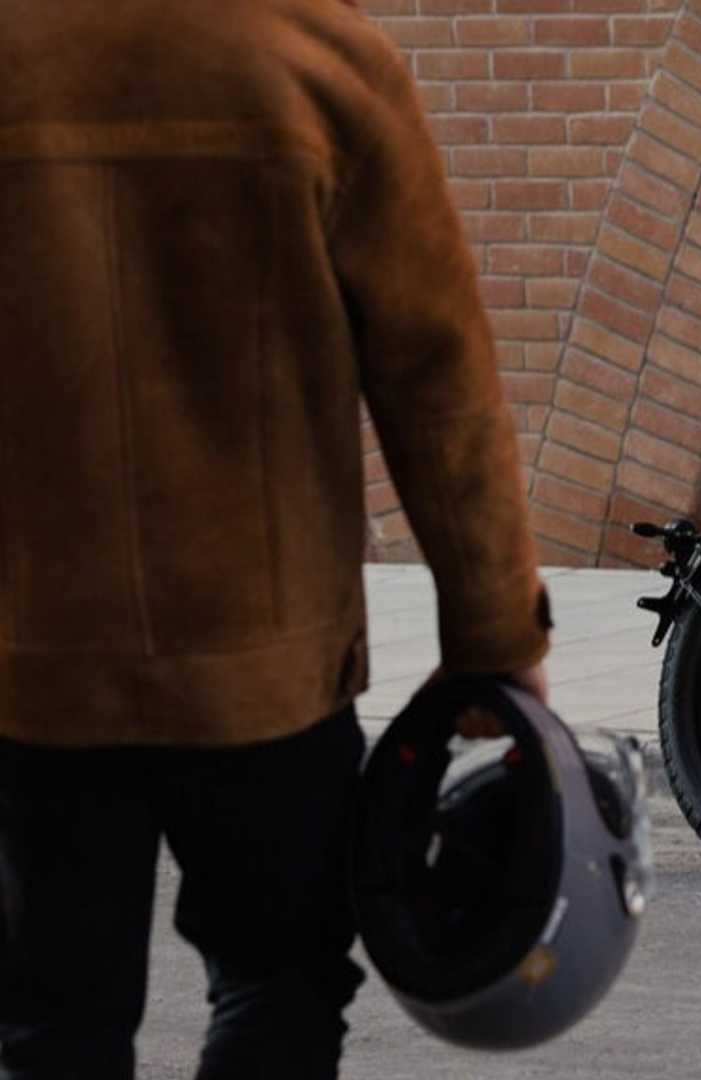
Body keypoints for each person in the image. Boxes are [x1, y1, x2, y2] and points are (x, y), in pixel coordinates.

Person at [0, 1, 551, 1076]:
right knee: (281, 991)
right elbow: (440, 380)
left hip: (33, 661)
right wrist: (495, 633)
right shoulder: (319, 54)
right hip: (268, 670)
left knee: (48, 1026)